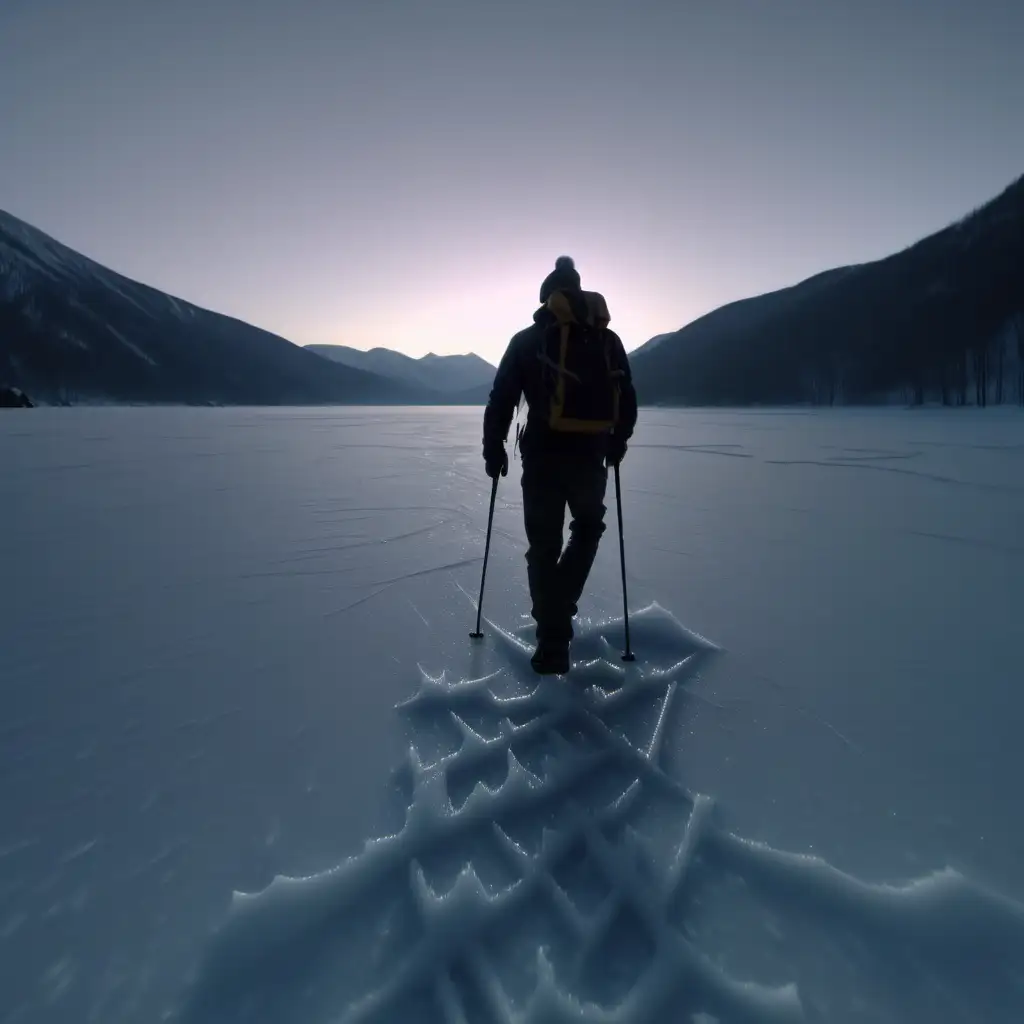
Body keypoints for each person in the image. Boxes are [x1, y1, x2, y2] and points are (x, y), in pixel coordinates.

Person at [482, 256, 638, 675]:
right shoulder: (608, 340)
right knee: (587, 529)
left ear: (545, 297)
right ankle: (559, 616)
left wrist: (493, 448)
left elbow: (501, 399)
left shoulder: (527, 340)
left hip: (542, 458)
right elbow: (628, 397)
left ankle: (552, 639)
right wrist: (618, 441)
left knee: (544, 548)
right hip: (590, 458)